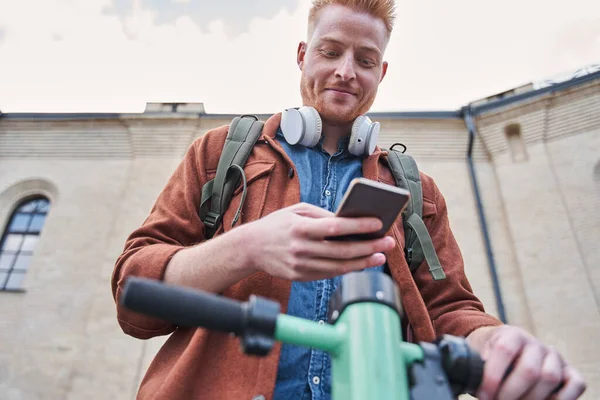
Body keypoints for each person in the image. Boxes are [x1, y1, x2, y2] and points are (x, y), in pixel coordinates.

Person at [111, 0, 587, 399]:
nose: (345, 72)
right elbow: (134, 293)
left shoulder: (413, 188)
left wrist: (496, 341)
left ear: (381, 71)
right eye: (330, 51)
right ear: (302, 55)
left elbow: (449, 312)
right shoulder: (220, 152)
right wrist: (246, 248)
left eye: (364, 60)